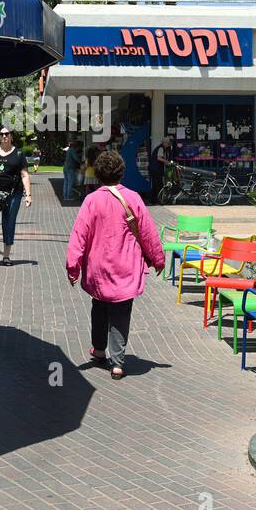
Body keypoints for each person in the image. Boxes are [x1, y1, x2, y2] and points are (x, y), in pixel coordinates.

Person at [65, 151, 166, 380]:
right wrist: (158, 259)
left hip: (98, 268)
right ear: (122, 172)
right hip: (126, 267)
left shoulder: (91, 200)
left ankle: (99, 350)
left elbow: (79, 235)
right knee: (121, 312)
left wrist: (73, 266)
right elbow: (149, 234)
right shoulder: (133, 198)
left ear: (98, 174)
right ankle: (118, 363)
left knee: (99, 307)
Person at [0, 125, 32, 266]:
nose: (4, 136)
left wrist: (28, 194)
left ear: (11, 136)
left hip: (12, 194)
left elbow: (25, 175)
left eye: (7, 134)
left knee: (9, 223)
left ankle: (6, 256)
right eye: (1, 134)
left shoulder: (19, 154)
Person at [149, 134, 174, 204]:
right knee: (158, 184)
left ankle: (153, 201)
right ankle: (157, 200)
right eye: (168, 143)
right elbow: (159, 158)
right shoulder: (161, 148)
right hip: (156, 169)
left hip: (154, 169)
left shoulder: (163, 148)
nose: (169, 145)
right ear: (164, 143)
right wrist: (167, 162)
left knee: (155, 184)